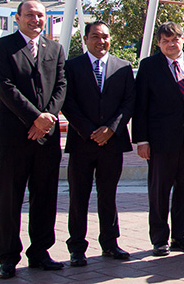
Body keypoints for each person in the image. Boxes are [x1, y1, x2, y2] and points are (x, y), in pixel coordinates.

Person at [0, 0, 67, 278]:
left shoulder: (54, 48)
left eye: (41, 16)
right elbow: (5, 88)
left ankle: (40, 252)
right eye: (30, 15)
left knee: (45, 196)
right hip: (13, 137)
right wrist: (35, 117)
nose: (36, 20)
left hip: (46, 138)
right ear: (17, 17)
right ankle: (7, 257)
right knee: (10, 197)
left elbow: (61, 85)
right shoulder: (2, 47)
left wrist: (47, 119)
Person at [62, 21, 135, 266]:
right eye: (95, 36)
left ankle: (110, 243)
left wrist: (111, 129)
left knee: (108, 195)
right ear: (85, 39)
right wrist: (90, 131)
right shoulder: (71, 67)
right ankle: (77, 248)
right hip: (83, 142)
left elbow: (129, 102)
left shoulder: (123, 67)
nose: (101, 41)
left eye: (105, 36)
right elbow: (67, 102)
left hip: (112, 143)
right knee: (78, 197)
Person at [133, 21, 184, 256]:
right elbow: (140, 105)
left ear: (183, 39)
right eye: (165, 40)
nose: (171, 44)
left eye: (175, 39)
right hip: (160, 141)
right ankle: (159, 238)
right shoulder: (149, 66)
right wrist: (141, 139)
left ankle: (183, 234)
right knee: (159, 191)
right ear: (159, 43)